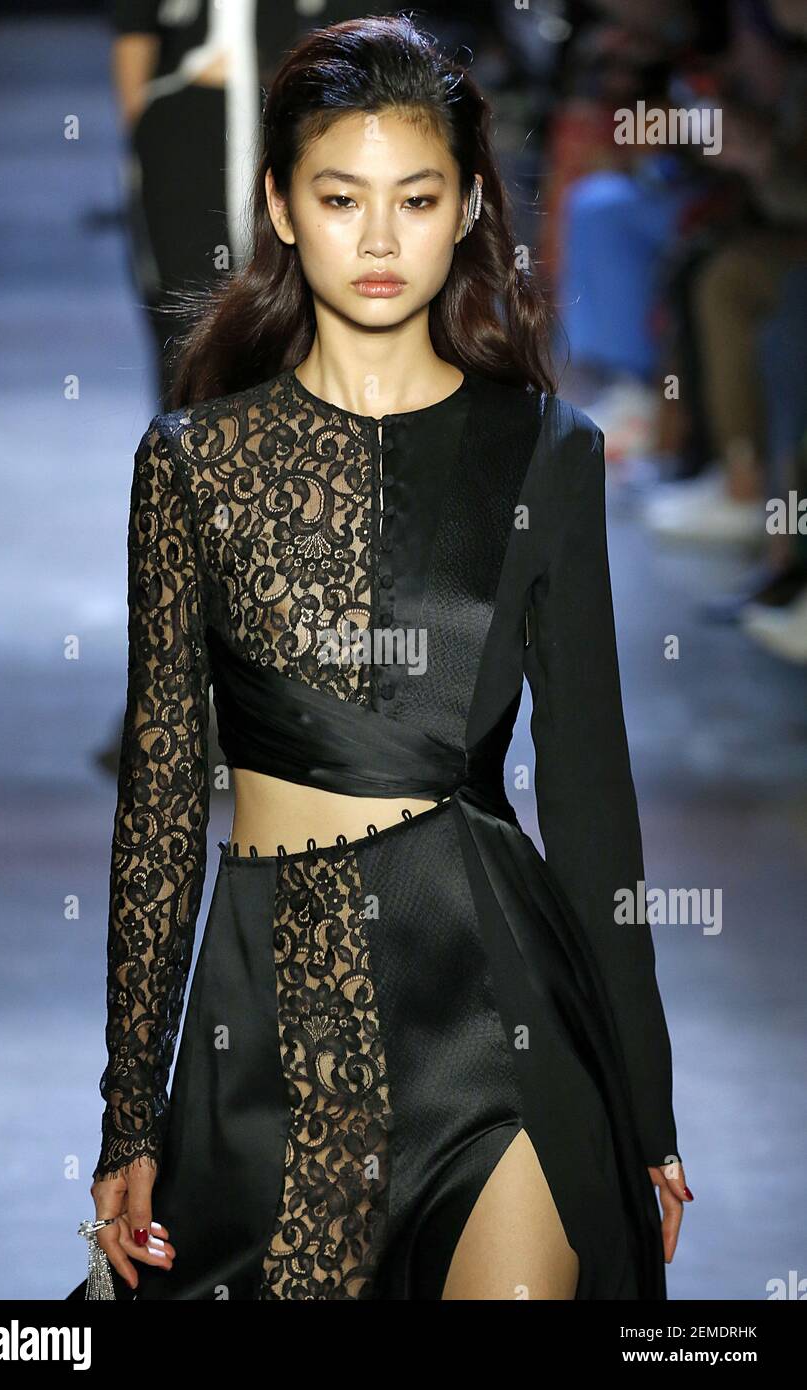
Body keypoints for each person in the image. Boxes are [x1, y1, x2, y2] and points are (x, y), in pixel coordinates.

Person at [68, 13, 690, 1302]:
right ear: (281, 210)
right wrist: (132, 1111)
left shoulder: (547, 454)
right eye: (340, 198)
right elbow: (165, 805)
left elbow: (589, 797)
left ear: (467, 209)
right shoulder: (192, 465)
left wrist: (649, 1107)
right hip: (265, 1028)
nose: (378, 239)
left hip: (494, 1013)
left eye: (416, 200)